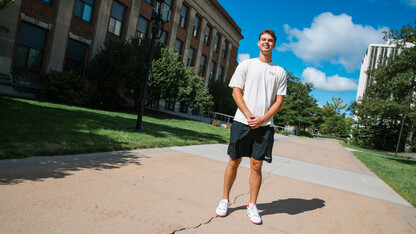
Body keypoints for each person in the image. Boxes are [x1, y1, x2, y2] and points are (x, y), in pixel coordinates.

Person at [215, 29, 287, 225]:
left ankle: (252, 206)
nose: (266, 43)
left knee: (257, 165)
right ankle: (225, 200)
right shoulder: (247, 65)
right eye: (263, 39)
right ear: (258, 43)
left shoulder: (280, 71)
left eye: (270, 40)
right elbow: (236, 92)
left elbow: (278, 101)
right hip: (241, 121)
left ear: (274, 45)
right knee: (234, 161)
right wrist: (248, 114)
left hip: (264, 126)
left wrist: (263, 118)